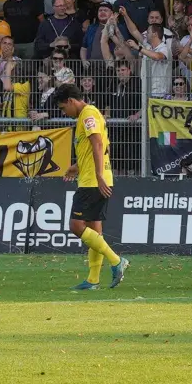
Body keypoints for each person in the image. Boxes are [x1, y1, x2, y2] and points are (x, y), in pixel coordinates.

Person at [55, 82, 128, 291]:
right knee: (95, 229)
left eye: (63, 107)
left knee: (76, 226)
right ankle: (93, 280)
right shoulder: (89, 115)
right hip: (93, 177)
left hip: (93, 181)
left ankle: (116, 261)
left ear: (70, 101)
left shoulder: (87, 115)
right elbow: (93, 150)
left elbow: (98, 144)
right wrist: (76, 167)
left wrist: (97, 175)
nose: (65, 112)